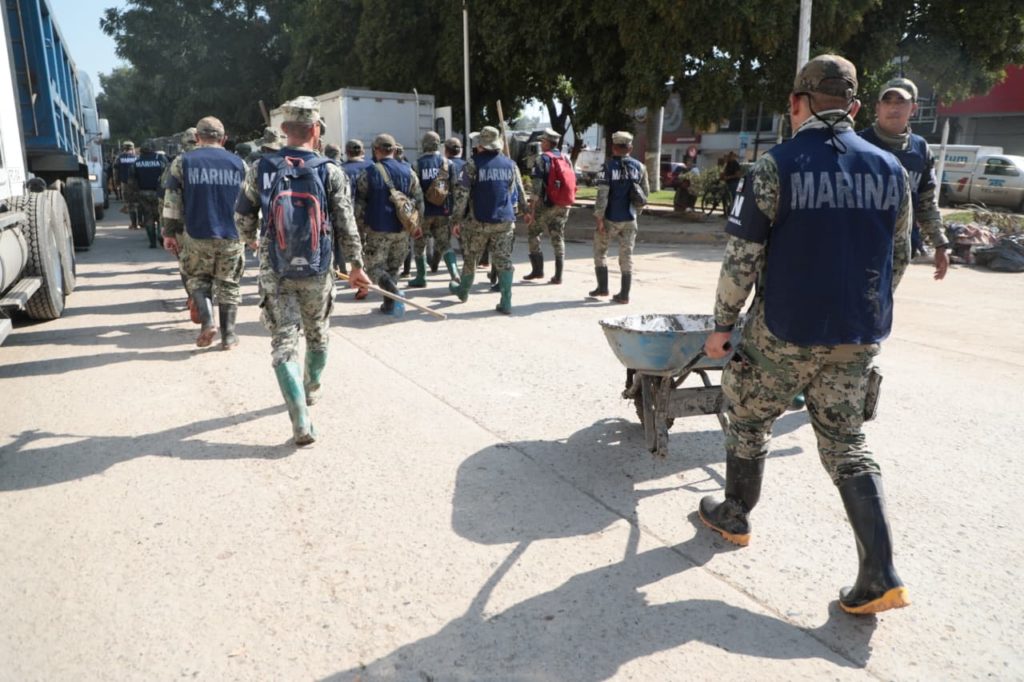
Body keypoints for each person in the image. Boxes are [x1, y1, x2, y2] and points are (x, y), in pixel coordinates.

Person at [698, 54, 913, 615]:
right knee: (846, 444)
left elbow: (742, 260)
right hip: (857, 335)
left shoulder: (775, 166)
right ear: (855, 108)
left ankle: (735, 515)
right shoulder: (891, 170)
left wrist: (722, 327)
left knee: (747, 415)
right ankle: (880, 573)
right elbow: (898, 259)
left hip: (784, 333)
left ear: (797, 104)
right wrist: (859, 310)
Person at [234, 96, 370, 445]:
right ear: (316, 130)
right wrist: (356, 266)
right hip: (318, 268)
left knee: (284, 342)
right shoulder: (330, 171)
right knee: (318, 333)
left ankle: (300, 419)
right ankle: (311, 388)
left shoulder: (260, 168)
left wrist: (252, 241)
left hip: (276, 269)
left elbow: (242, 215)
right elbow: (346, 223)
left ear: (283, 129)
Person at [162, 116, 246, 350]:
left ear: (198, 137)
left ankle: (208, 322)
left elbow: (171, 200)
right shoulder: (240, 164)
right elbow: (249, 201)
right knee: (229, 284)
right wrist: (252, 234)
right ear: (224, 139)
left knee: (198, 279)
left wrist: (169, 232)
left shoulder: (182, 162)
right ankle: (229, 336)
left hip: (196, 233)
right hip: (232, 235)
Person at [859, 77, 950, 279]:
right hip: (858, 247)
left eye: (901, 102)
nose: (893, 108)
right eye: (887, 101)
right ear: (877, 107)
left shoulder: (921, 149)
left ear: (914, 108)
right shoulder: (856, 145)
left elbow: (926, 202)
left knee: (884, 298)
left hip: (898, 253)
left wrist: (940, 244)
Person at [449, 126, 528, 314]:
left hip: (477, 222)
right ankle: (506, 301)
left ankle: (463, 291)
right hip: (504, 221)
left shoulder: (471, 164)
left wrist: (455, 220)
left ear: (481, 144)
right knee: (503, 260)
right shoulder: (510, 164)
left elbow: (461, 196)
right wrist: (525, 210)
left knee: (471, 257)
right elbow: (519, 191)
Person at [355, 133, 424, 316]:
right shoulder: (409, 172)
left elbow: (359, 205)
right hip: (402, 229)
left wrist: (360, 228)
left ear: (376, 150)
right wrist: (417, 226)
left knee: (373, 268)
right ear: (394, 150)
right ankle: (389, 304)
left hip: (377, 228)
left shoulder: (369, 173)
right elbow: (419, 200)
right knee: (393, 268)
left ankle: (394, 294)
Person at [591, 131, 649, 303]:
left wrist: (599, 219)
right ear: (630, 148)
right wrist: (637, 213)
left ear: (613, 147)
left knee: (600, 251)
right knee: (627, 256)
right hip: (630, 219)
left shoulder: (607, 167)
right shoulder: (640, 167)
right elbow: (645, 194)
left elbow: (602, 196)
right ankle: (624, 295)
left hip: (610, 218)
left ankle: (602, 288)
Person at [522, 128, 571, 283]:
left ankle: (538, 270)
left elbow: (536, 187)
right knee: (558, 236)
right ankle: (558, 275)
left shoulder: (541, 159)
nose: (541, 143)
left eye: (542, 141)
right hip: (563, 203)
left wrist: (531, 208)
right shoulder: (566, 158)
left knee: (533, 232)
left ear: (547, 143)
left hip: (546, 204)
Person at [409, 131, 451, 287]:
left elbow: (413, 191)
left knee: (420, 245)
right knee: (445, 245)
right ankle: (454, 274)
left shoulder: (416, 164)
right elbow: (454, 189)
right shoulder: (448, 163)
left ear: (423, 145)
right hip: (442, 211)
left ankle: (421, 277)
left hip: (424, 213)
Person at [342, 139, 374, 300]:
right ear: (362, 151)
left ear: (347, 152)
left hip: (350, 215)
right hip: (371, 214)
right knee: (370, 246)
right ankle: (367, 276)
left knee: (357, 247)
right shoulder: (372, 167)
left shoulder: (341, 169)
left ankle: (362, 280)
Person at [132, 141, 168, 248]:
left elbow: (132, 181)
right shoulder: (161, 159)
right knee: (161, 216)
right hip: (160, 193)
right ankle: (161, 237)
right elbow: (168, 175)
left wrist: (134, 195)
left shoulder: (137, 162)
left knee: (148, 217)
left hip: (143, 193)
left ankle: (152, 242)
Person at [439, 136, 466, 280]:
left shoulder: (444, 165)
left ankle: (435, 263)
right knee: (463, 240)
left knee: (444, 239)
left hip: (447, 207)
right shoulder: (467, 165)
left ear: (446, 150)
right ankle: (467, 268)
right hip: (465, 208)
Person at [115, 141, 139, 229]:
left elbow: (116, 172)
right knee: (139, 203)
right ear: (132, 148)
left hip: (125, 184)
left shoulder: (119, 158)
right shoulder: (137, 158)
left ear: (124, 148)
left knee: (130, 204)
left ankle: (134, 224)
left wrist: (116, 183)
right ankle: (142, 222)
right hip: (137, 184)